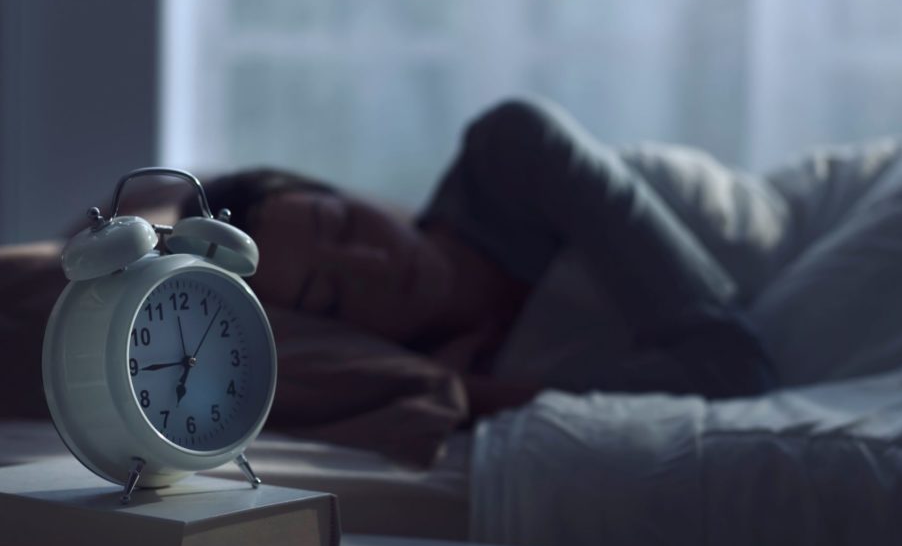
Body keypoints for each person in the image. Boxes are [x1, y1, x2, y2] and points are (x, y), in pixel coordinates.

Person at [181, 98, 777, 463]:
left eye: (338, 223)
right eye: (332, 295)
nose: (372, 263)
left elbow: (735, 365)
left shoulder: (511, 153)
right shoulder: (423, 383)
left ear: (340, 191)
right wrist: (474, 393)